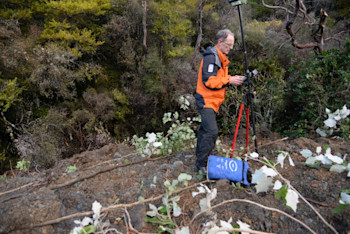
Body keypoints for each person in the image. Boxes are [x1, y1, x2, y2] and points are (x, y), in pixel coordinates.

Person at [195, 29, 244, 174]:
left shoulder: (220, 57)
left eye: (232, 45)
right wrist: (229, 80)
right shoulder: (212, 57)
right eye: (229, 44)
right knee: (211, 132)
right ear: (220, 42)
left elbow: (219, 79)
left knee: (205, 130)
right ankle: (201, 164)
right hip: (206, 100)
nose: (231, 48)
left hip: (212, 101)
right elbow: (209, 81)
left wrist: (232, 79)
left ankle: (200, 157)